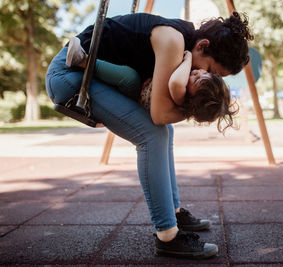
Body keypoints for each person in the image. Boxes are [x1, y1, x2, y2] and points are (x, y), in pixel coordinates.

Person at [46, 11, 253, 259]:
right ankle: (167, 235)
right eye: (212, 70)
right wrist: (197, 110)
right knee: (152, 134)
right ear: (202, 46)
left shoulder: (184, 44)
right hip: (69, 76)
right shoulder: (174, 41)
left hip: (91, 79)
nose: (208, 77)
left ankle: (174, 212)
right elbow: (158, 114)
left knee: (166, 131)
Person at [65, 37, 236, 132]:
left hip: (133, 96)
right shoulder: (185, 100)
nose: (198, 72)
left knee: (129, 77)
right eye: (205, 73)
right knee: (128, 74)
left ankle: (83, 61)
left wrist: (189, 58)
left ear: (194, 99)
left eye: (198, 80)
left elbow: (176, 81)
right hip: (138, 94)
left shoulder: (181, 95)